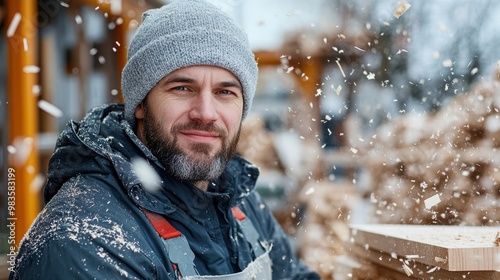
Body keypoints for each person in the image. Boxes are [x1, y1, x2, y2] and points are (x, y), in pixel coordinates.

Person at [9, 0, 321, 279]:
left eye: (225, 92)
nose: (206, 113)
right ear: (141, 103)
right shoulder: (84, 240)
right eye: (182, 88)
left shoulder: (239, 201)